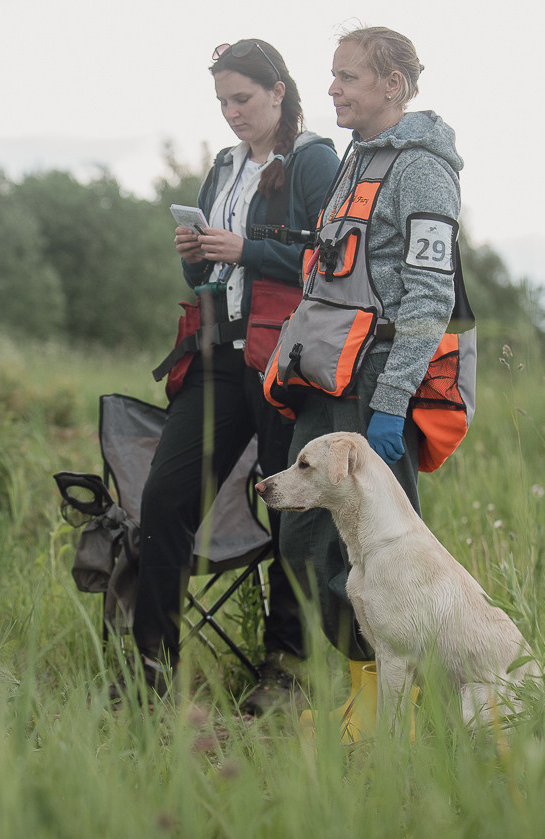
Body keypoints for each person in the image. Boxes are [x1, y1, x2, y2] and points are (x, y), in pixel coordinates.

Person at [128, 38, 339, 713]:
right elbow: (204, 276)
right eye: (222, 101)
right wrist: (196, 253)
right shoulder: (222, 167)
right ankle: (151, 670)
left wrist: (247, 248)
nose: (231, 112)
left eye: (242, 98)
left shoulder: (314, 160)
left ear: (278, 92)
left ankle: (285, 673)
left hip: (283, 360)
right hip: (217, 355)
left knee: (289, 517)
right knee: (164, 499)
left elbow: (331, 258)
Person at [271, 26, 464, 737]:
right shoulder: (355, 157)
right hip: (329, 373)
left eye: (349, 77)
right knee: (308, 545)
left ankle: (401, 709)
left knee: (386, 558)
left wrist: (391, 404)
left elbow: (429, 294)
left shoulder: (422, 169)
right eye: (334, 75)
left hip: (377, 379)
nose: (333, 89)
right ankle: (366, 689)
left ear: (394, 87)